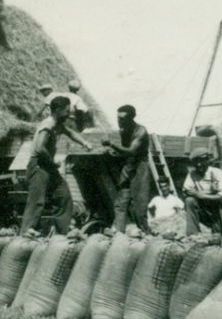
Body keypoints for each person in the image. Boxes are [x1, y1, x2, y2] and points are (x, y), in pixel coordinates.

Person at [20, 96, 90, 235]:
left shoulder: (58, 124)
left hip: (49, 167)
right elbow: (40, 148)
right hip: (39, 165)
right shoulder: (48, 125)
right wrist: (52, 163)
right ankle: (27, 230)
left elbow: (70, 132)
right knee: (37, 200)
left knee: (63, 196)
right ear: (57, 110)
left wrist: (84, 143)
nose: (68, 114)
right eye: (66, 111)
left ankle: (63, 231)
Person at [101, 104, 154, 234]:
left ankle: (146, 234)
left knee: (140, 208)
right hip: (129, 166)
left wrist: (111, 144)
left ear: (132, 118)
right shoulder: (124, 130)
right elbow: (126, 154)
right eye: (118, 118)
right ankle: (119, 233)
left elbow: (131, 151)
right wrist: (114, 153)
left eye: (123, 118)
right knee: (121, 203)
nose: (119, 121)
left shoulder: (140, 131)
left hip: (140, 167)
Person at [182, 151, 222, 237]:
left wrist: (200, 195)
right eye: (196, 162)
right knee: (189, 200)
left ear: (207, 161)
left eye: (202, 161)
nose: (199, 164)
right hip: (204, 210)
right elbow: (187, 191)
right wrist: (210, 192)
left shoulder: (217, 173)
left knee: (221, 237)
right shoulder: (192, 174)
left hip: (220, 210)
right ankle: (193, 235)